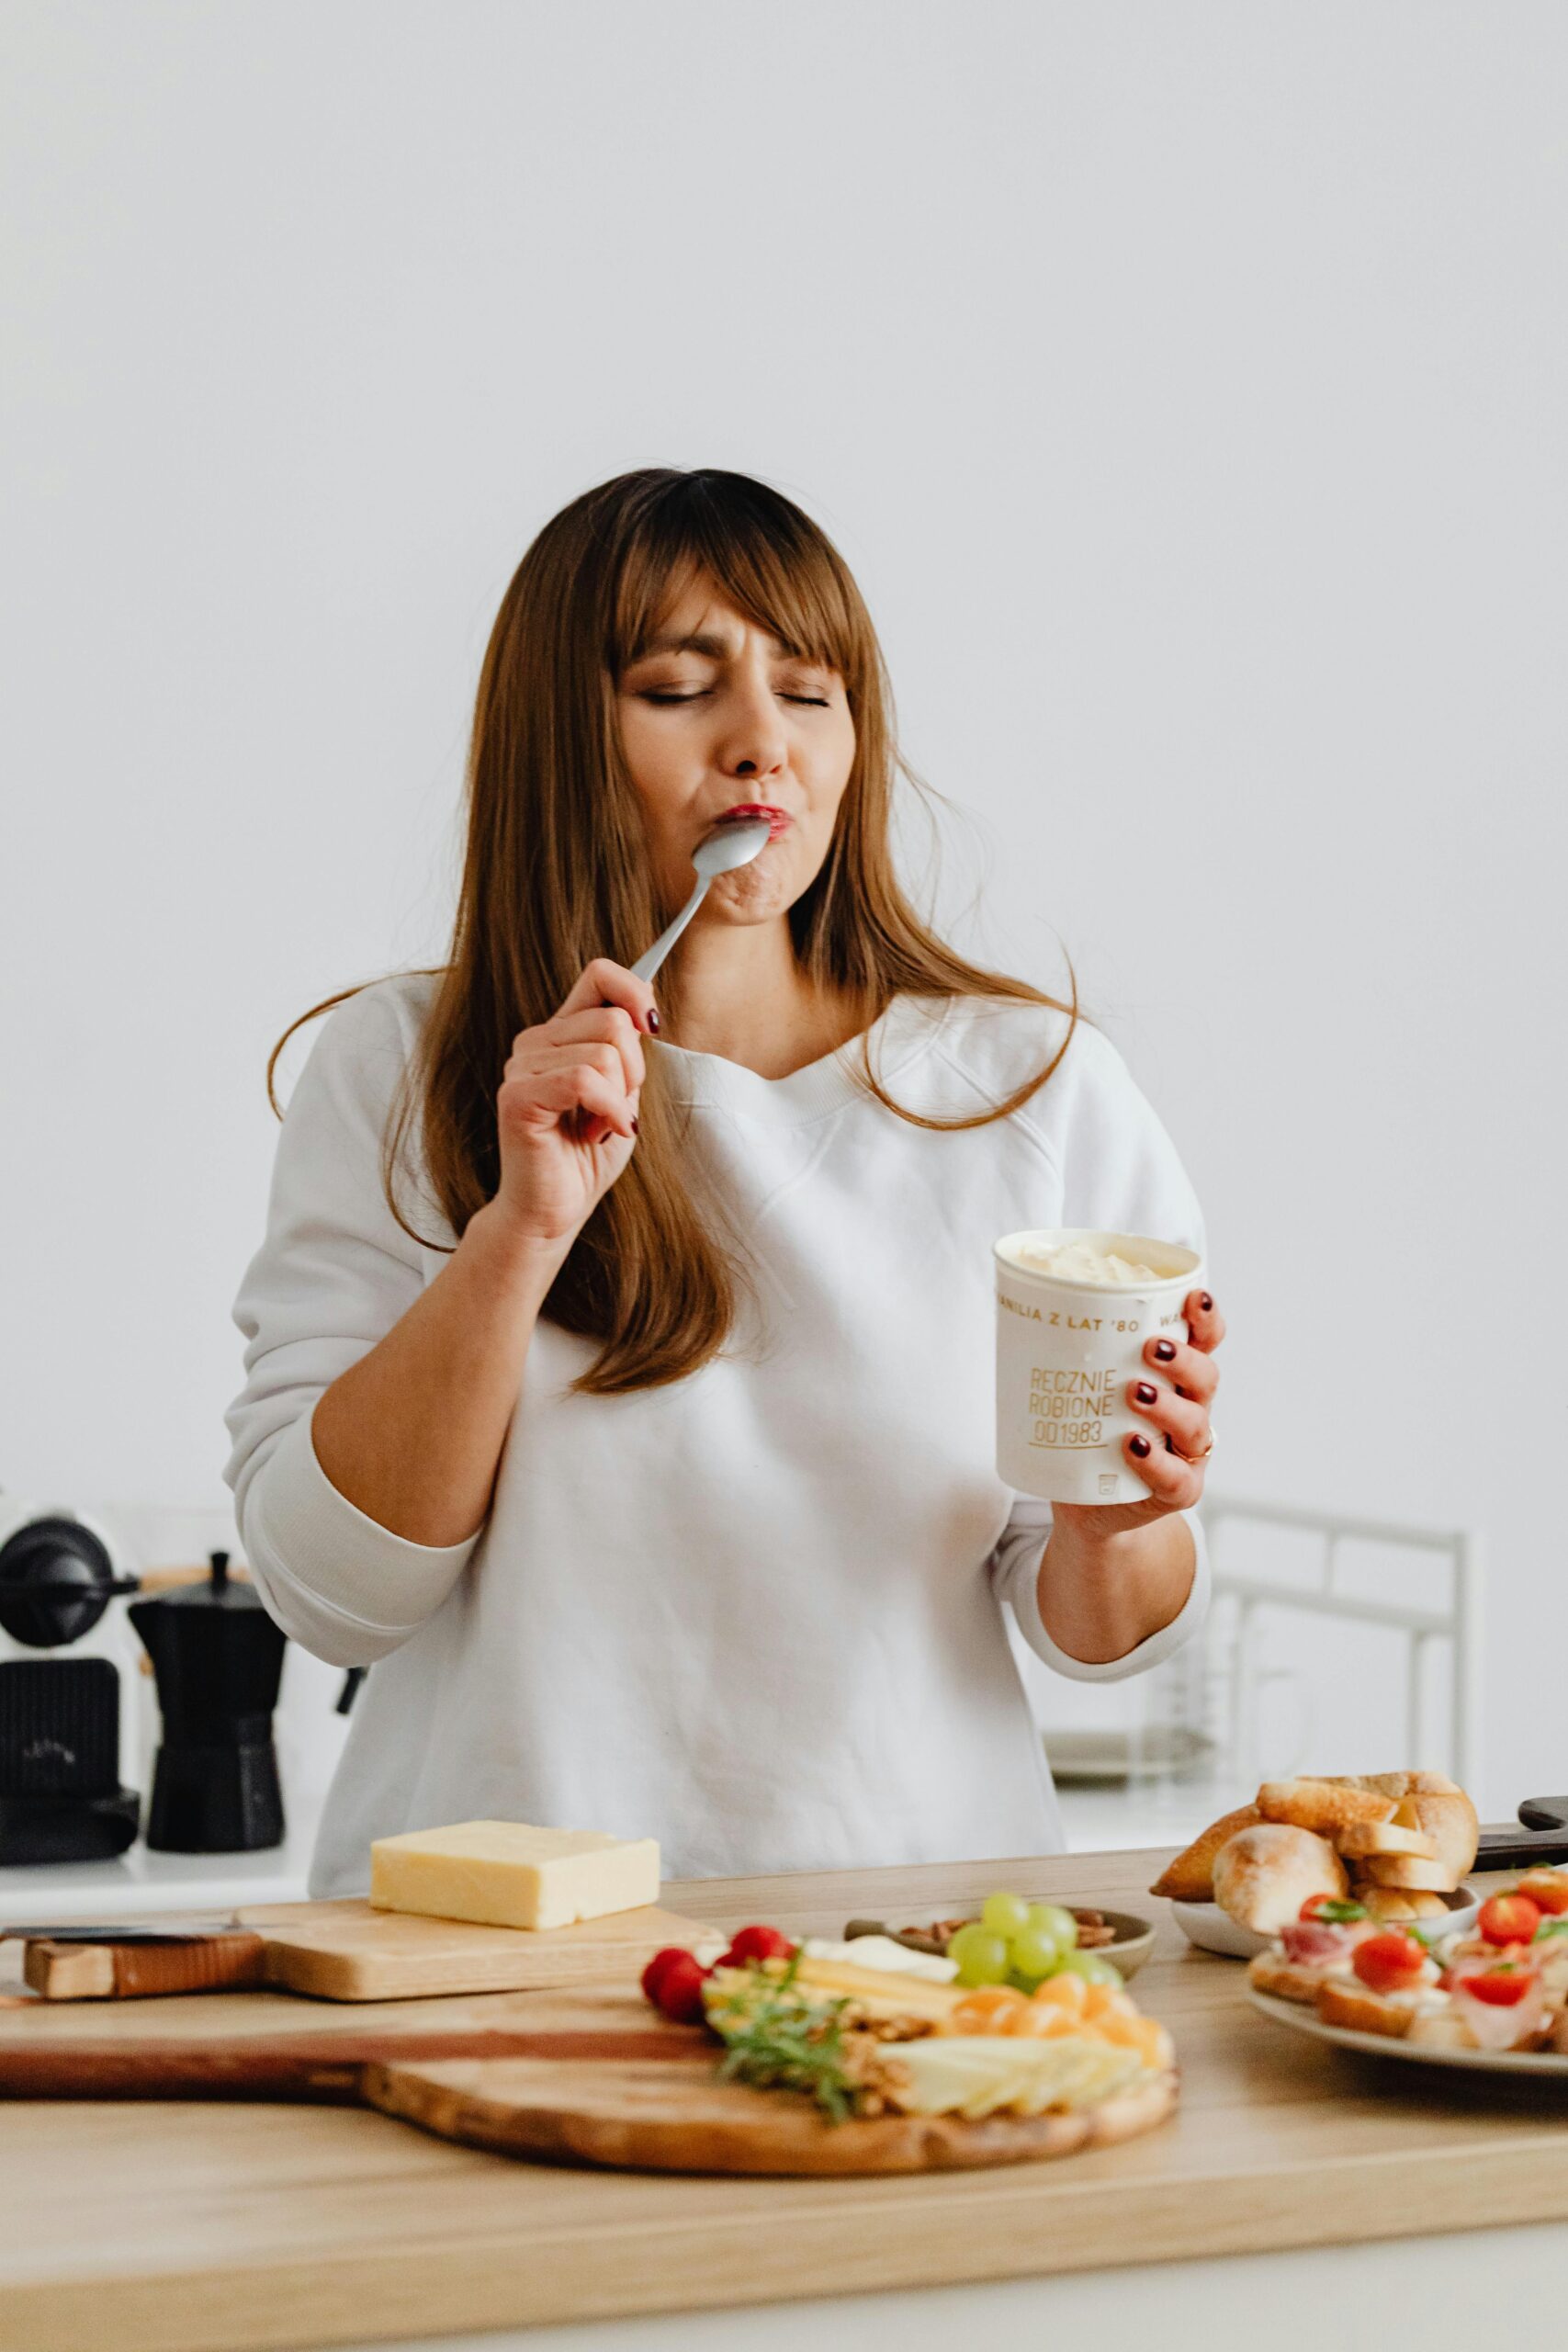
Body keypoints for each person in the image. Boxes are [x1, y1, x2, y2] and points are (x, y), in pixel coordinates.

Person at [224, 467, 1224, 1898]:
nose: (764, 742)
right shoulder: (404, 1067)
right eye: (680, 688)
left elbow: (1095, 1631)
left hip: (916, 1947)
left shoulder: (1033, 1090)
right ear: (562, 739)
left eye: (810, 693)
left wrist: (1118, 1522)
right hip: (483, 1960)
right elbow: (335, 1596)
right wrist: (520, 1234)